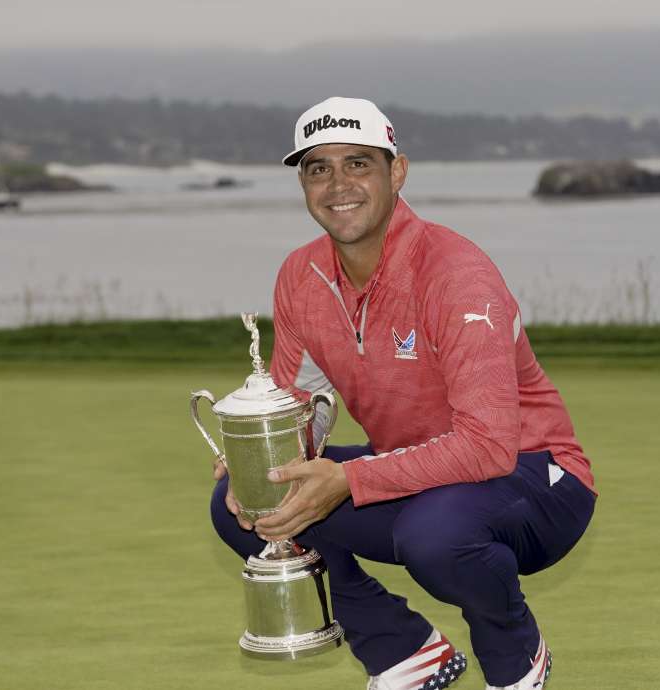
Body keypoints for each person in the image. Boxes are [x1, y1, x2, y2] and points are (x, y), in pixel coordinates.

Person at [210, 96, 597, 690]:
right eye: (318, 168)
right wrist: (259, 462)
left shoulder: (455, 274)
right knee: (247, 505)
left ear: (397, 171)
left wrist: (350, 480)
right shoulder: (301, 275)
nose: (338, 184)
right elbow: (301, 406)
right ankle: (405, 654)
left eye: (358, 164)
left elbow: (489, 447)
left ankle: (516, 660)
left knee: (434, 535)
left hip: (535, 479)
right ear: (304, 184)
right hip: (418, 478)